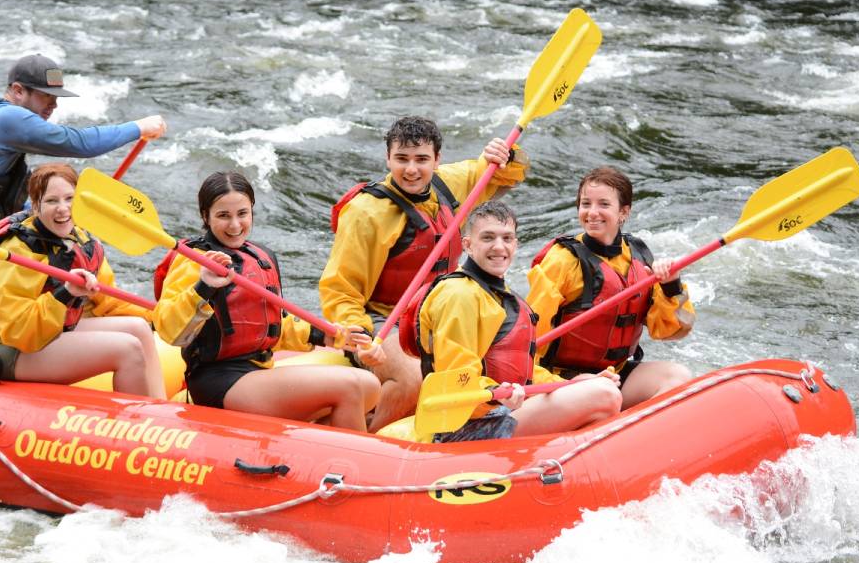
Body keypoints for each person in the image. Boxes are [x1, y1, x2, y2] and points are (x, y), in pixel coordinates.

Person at [320, 116, 528, 432]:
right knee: (413, 377)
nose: (412, 170)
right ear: (388, 158)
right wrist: (359, 335)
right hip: (381, 322)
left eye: (421, 160)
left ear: (437, 159)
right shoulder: (365, 213)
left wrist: (505, 156)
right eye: (401, 159)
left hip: (435, 315)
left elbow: (496, 174)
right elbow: (341, 290)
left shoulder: (447, 184)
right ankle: (376, 444)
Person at [152, 172, 381, 432]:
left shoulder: (261, 257)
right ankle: (351, 466)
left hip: (259, 372)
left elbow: (270, 325)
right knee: (350, 389)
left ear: (252, 212)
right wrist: (203, 286)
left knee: (369, 387)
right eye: (223, 216)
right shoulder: (195, 260)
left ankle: (317, 458)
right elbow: (169, 331)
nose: (235, 225)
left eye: (242, 213)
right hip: (220, 380)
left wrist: (329, 336)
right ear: (206, 216)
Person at [403, 201, 622, 442]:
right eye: (488, 238)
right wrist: (496, 394)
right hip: (464, 429)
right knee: (604, 395)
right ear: (467, 245)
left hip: (501, 411)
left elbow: (522, 371)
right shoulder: (459, 295)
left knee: (591, 385)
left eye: (507, 238)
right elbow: (457, 378)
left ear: (516, 244)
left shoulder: (501, 294)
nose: (499, 247)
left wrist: (567, 384)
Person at [0, 163, 165, 398]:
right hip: (7, 348)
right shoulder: (19, 250)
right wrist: (65, 293)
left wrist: (160, 316)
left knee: (139, 328)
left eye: (69, 198)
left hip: (52, 331)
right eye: (52, 201)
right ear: (35, 205)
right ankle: (137, 427)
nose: (63, 209)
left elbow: (108, 302)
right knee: (127, 349)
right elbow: (18, 330)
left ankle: (161, 413)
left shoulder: (79, 239)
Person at [0, 53, 167, 230]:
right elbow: (80, 143)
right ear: (17, 90)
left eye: (56, 97)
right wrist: (138, 127)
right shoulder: (8, 119)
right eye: (46, 95)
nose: (54, 104)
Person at [526, 166, 694, 410]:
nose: (592, 213)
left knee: (677, 376)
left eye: (603, 204)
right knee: (603, 393)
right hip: (563, 380)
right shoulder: (562, 260)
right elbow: (529, 341)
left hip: (615, 374)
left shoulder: (638, 256)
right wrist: (546, 383)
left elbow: (670, 332)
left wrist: (671, 285)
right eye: (586, 204)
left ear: (624, 212)